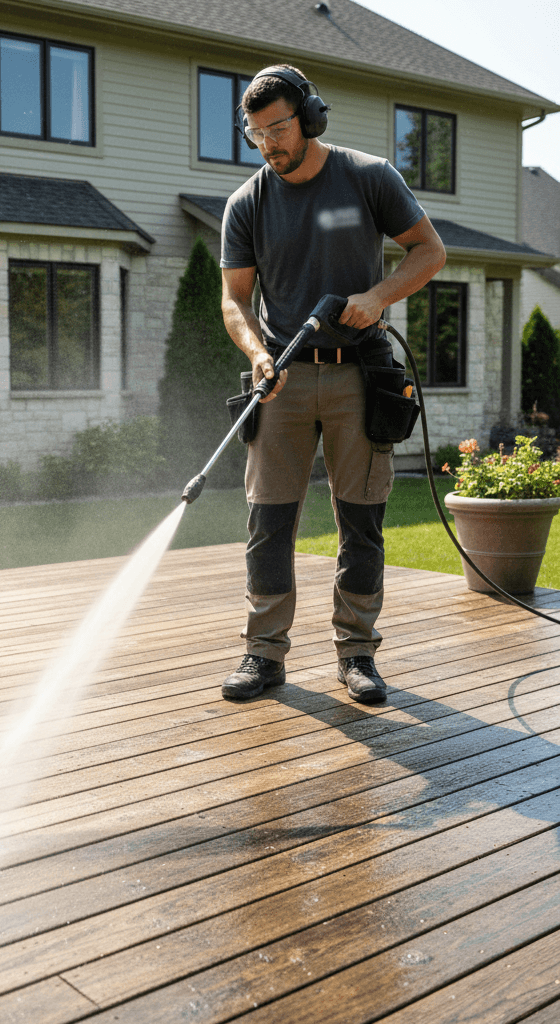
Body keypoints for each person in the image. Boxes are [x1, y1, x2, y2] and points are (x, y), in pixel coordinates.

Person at [219, 64, 446, 704]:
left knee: (362, 518)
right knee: (269, 520)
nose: (269, 144)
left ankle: (357, 655)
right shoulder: (247, 203)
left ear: (310, 117)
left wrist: (377, 296)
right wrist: (258, 353)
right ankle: (263, 655)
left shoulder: (370, 177)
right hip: (283, 381)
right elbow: (235, 299)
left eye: (280, 128)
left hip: (357, 377)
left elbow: (430, 251)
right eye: (256, 133)